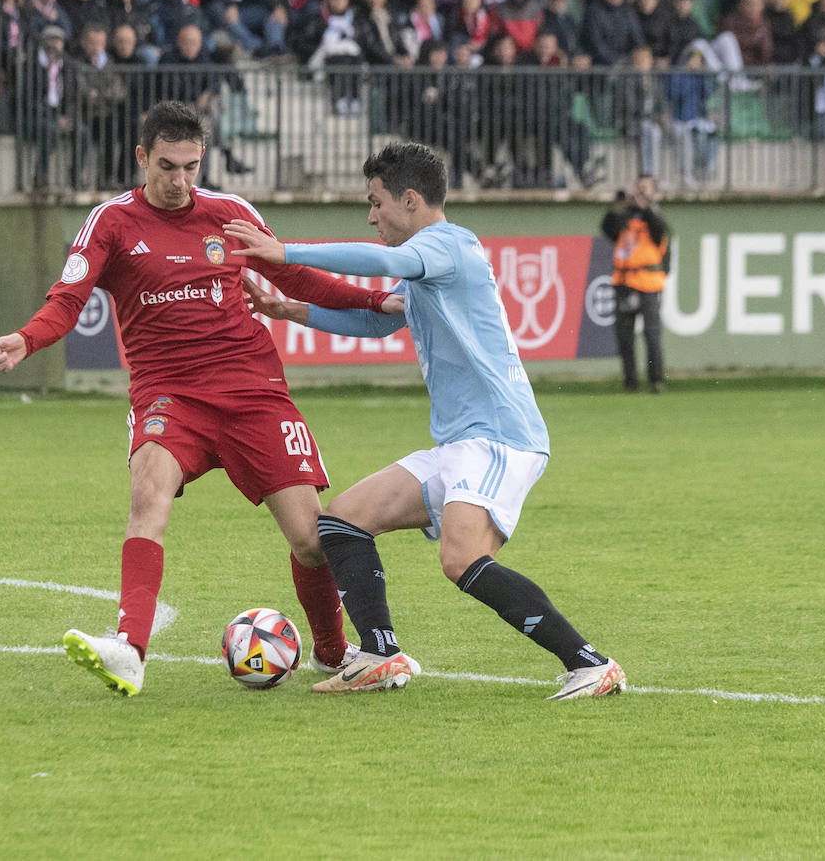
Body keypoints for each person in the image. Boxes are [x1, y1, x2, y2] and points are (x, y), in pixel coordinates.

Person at [0, 100, 402, 696]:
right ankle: (130, 649)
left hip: (253, 392)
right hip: (169, 394)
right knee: (148, 499)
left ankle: (334, 653)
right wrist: (29, 338)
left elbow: (294, 277)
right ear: (141, 159)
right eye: (167, 167)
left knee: (312, 539)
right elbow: (69, 296)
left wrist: (373, 300)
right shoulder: (112, 222)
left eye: (191, 167)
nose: (180, 182)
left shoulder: (230, 214)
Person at [224, 143, 627, 699]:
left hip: (500, 438)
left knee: (461, 558)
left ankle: (591, 664)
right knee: (341, 520)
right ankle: (380, 654)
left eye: (376, 202)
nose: (371, 216)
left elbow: (382, 263)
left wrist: (283, 251)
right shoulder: (427, 264)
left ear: (410, 200)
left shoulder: (447, 245)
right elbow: (381, 321)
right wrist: (290, 311)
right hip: (463, 442)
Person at [600, 174, 670, 392]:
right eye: (638, 188)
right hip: (624, 281)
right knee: (624, 336)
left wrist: (645, 207)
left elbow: (660, 229)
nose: (640, 193)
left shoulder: (655, 217)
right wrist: (618, 205)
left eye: (645, 189)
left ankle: (656, 379)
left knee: (651, 334)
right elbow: (607, 227)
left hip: (648, 283)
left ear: (654, 193)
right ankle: (630, 381)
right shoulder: (625, 217)